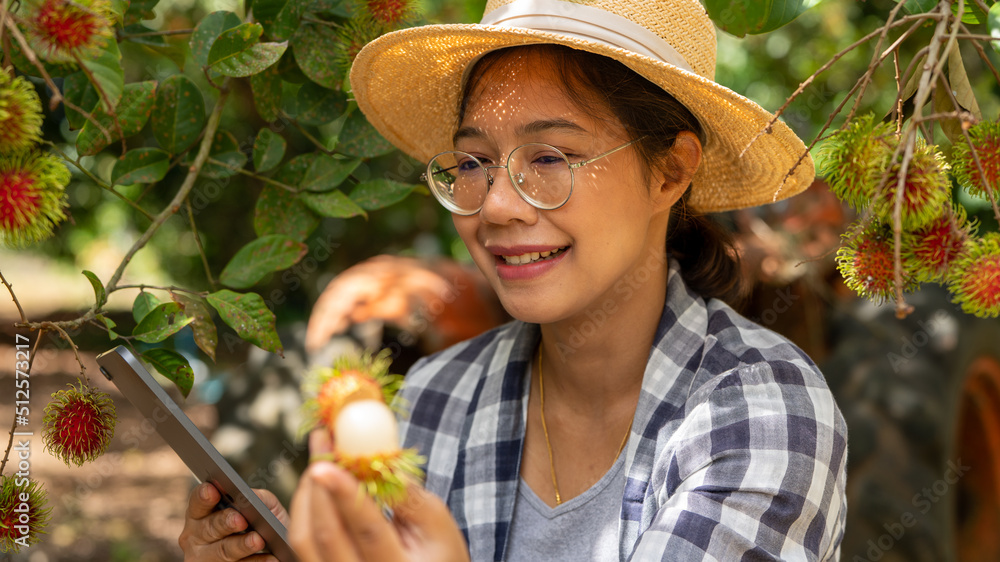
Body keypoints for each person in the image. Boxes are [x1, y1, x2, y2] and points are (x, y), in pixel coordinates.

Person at [179, 0, 848, 560]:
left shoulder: (761, 413)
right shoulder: (434, 398)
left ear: (670, 172)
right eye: (473, 162)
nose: (496, 205)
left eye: (552, 156)